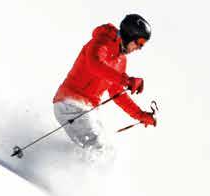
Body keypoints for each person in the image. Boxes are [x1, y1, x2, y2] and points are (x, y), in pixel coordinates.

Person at [53, 14, 156, 157]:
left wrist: (140, 115)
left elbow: (116, 92)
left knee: (107, 150)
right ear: (129, 34)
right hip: (70, 102)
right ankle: (77, 176)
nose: (139, 47)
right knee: (99, 151)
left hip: (86, 109)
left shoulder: (121, 60)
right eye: (140, 42)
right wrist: (127, 81)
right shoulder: (102, 42)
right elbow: (95, 64)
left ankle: (53, 162)